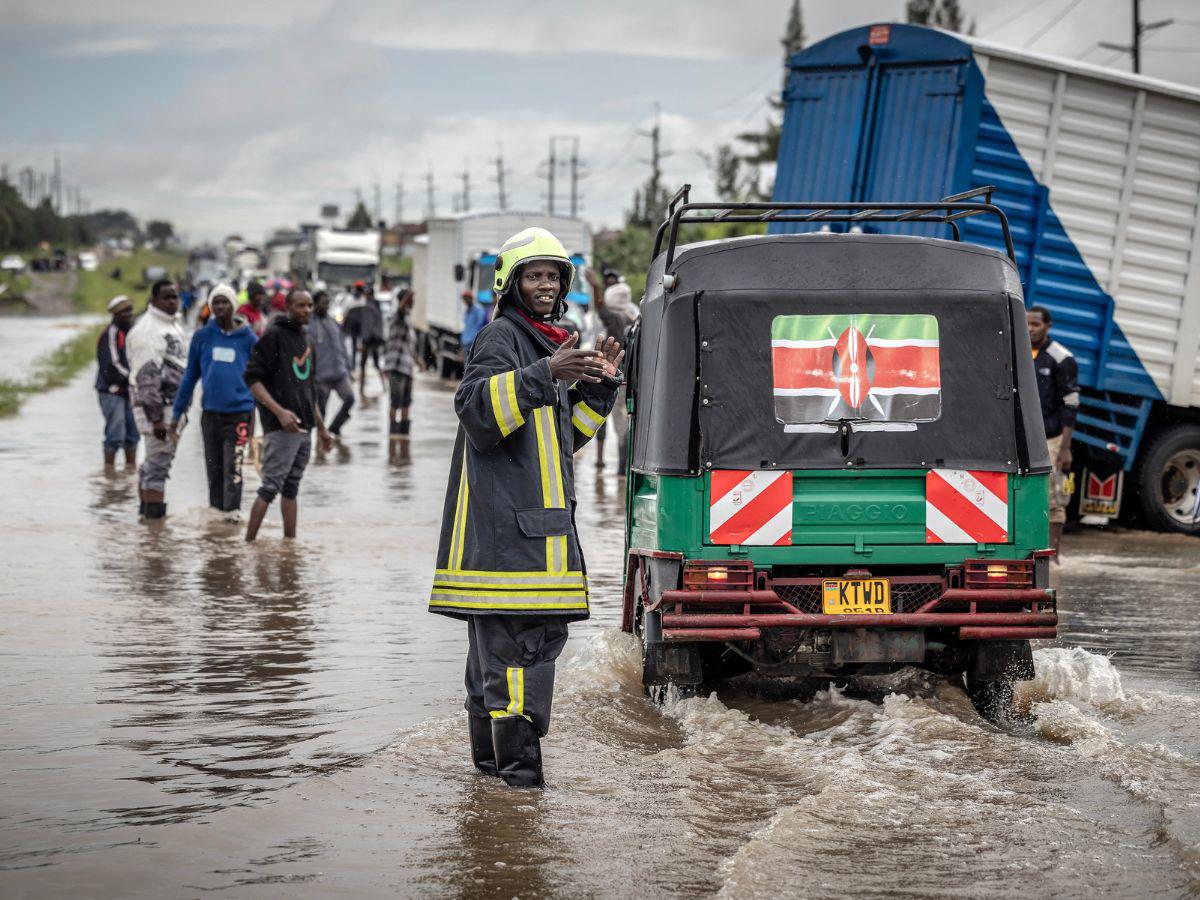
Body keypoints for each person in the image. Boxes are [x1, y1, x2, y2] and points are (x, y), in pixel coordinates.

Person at [429, 227, 623, 788]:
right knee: (517, 672)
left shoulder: (547, 342)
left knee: (497, 674)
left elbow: (562, 441)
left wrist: (599, 392)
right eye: (534, 275)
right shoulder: (501, 338)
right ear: (511, 283)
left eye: (554, 276)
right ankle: (519, 798)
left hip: (532, 539)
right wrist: (546, 375)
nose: (546, 285)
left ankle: (491, 794)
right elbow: (477, 413)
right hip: (508, 547)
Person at [242, 289, 334, 542]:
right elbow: (252, 378)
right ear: (288, 307)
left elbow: (309, 389)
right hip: (281, 428)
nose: (306, 310)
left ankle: (289, 546)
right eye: (300, 306)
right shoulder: (273, 335)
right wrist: (279, 412)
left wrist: (323, 429)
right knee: (270, 487)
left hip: (305, 429)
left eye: (310, 305)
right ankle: (248, 545)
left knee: (291, 488)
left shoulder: (307, 339)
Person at [170, 284, 258, 514]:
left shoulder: (248, 339)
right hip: (210, 415)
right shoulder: (202, 337)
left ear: (233, 306)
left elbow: (259, 380)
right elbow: (190, 377)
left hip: (239, 414)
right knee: (214, 471)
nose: (220, 307)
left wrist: (259, 417)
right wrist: (176, 414)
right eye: (215, 302)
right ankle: (217, 525)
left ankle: (232, 519)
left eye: (224, 302)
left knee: (233, 470)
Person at [127, 280, 186, 519]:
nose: (172, 301)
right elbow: (147, 378)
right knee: (158, 467)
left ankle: (146, 519)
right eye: (166, 297)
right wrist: (157, 419)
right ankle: (154, 530)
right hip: (159, 410)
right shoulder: (147, 331)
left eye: (175, 296)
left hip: (171, 407)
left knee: (154, 463)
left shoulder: (171, 326)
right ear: (154, 300)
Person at [1027, 306, 1079, 559]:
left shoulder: (1061, 358)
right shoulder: (1017, 350)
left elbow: (1070, 403)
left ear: (1048, 326)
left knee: (1053, 496)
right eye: (1026, 323)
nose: (1029, 328)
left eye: (1035, 324)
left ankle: (1054, 556)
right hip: (1022, 438)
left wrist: (1065, 447)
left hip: (1051, 437)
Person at [585, 267, 639, 471]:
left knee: (616, 421)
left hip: (614, 375)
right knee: (623, 420)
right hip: (628, 376)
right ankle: (623, 466)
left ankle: (622, 468)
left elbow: (601, 309)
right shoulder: (634, 317)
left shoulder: (615, 318)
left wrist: (594, 286)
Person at [95, 295, 139, 469]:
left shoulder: (131, 332)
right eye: (125, 311)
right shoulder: (110, 334)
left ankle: (130, 473)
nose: (129, 314)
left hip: (130, 390)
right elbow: (111, 365)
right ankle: (109, 473)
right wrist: (131, 377)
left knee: (133, 435)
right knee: (115, 435)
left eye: (130, 310)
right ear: (116, 314)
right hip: (111, 391)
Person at [310, 289, 355, 436]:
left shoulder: (333, 322)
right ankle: (321, 443)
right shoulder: (309, 324)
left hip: (339, 372)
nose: (326, 306)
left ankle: (335, 426)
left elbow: (341, 346)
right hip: (320, 376)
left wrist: (348, 368)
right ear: (315, 304)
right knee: (321, 411)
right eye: (323, 303)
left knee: (350, 398)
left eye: (328, 303)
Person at [383, 289, 417, 439]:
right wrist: (408, 294)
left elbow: (408, 346)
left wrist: (418, 361)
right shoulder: (397, 316)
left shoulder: (408, 319)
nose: (414, 302)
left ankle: (403, 437)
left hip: (407, 368)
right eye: (412, 299)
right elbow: (401, 308)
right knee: (395, 402)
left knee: (406, 403)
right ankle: (393, 435)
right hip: (396, 367)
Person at [357, 286, 387, 399]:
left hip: (369, 341)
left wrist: (364, 342)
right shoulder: (377, 306)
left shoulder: (368, 307)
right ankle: (384, 387)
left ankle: (361, 390)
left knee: (363, 364)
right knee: (377, 364)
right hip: (376, 340)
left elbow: (367, 326)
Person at [460, 289, 489, 358]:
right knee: (466, 365)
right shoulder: (467, 311)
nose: (466, 301)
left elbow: (481, 326)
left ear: (471, 298)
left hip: (474, 344)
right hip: (466, 343)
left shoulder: (478, 310)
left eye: (467, 298)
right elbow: (466, 327)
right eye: (464, 299)